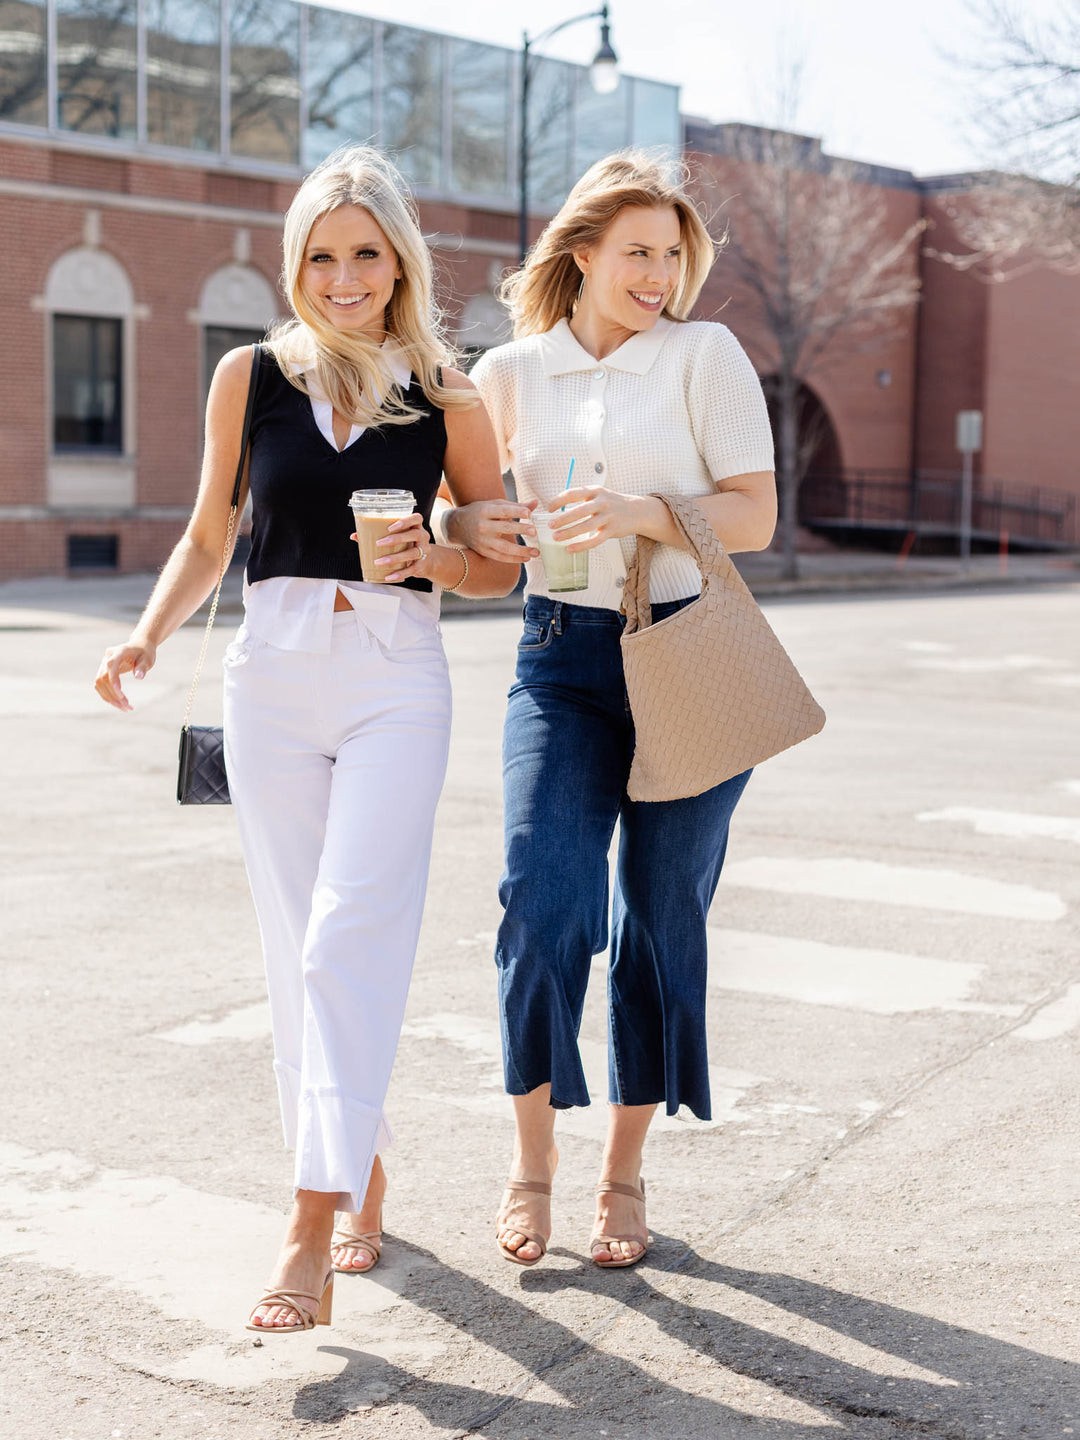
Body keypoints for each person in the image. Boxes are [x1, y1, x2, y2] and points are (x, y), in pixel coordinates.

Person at [94, 146, 519, 1330]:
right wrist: (145, 637)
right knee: (296, 951)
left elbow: (499, 561)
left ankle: (308, 1219)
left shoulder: (446, 390)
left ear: (400, 262)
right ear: (296, 265)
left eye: (365, 254)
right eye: (321, 257)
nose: (343, 278)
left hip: (396, 681)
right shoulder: (250, 376)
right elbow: (208, 535)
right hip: (272, 682)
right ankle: (359, 1166)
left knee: (348, 935)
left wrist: (437, 555)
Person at [443, 151, 777, 1269]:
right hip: (560, 658)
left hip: (687, 651)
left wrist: (642, 511)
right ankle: (531, 1163)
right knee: (543, 901)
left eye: (673, 255)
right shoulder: (507, 373)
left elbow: (756, 517)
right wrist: (466, 531)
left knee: (660, 916)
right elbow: (461, 520)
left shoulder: (702, 354)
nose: (658, 274)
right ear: (580, 252)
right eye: (638, 251)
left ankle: (623, 1171)